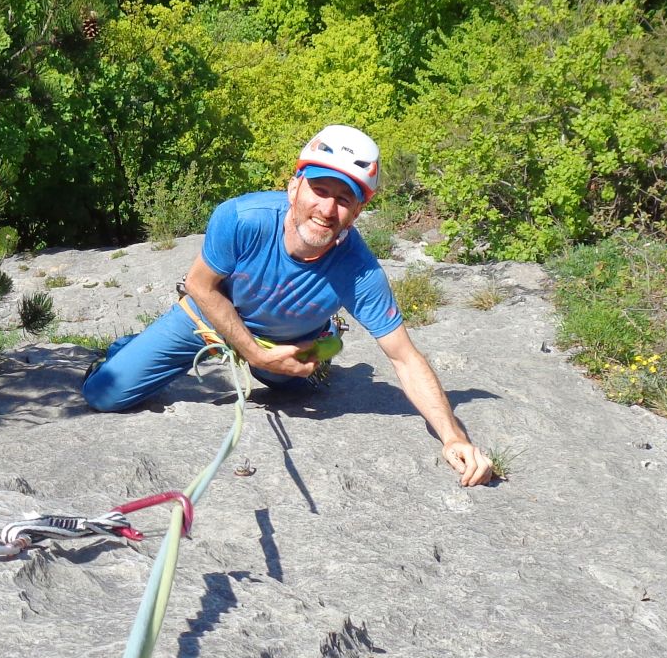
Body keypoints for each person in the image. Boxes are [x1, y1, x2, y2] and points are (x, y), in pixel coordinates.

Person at [83, 125, 493, 487]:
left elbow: (404, 356)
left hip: (293, 340)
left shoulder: (359, 270)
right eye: (320, 189)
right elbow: (199, 285)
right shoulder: (242, 218)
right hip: (210, 317)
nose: (327, 209)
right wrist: (254, 353)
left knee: (298, 388)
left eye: (344, 199)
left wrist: (453, 437)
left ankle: (326, 336)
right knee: (104, 394)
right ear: (295, 187)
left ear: (358, 211)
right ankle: (129, 349)